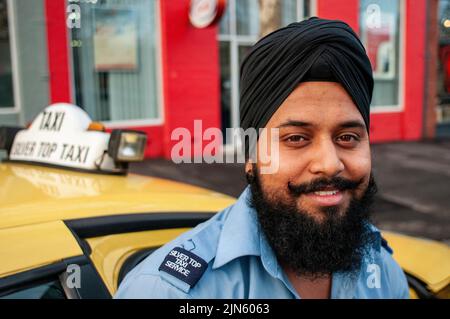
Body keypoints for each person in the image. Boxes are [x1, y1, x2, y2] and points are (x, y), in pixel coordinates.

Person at [115, 17, 409, 299]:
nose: (330, 163)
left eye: (347, 138)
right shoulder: (168, 292)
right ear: (251, 155)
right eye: (296, 138)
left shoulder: (383, 272)